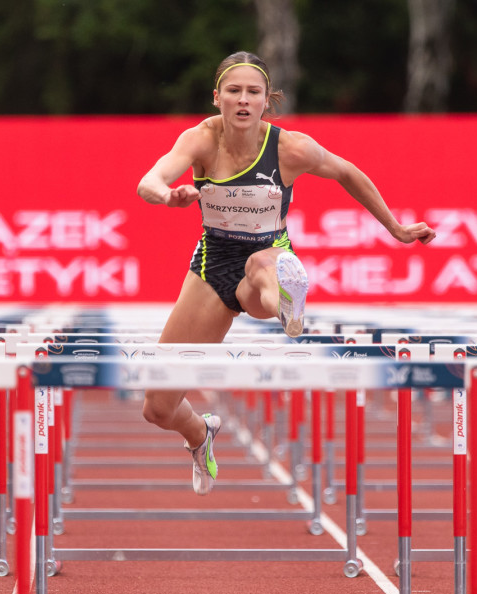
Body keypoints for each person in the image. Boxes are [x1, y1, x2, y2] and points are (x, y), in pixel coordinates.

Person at [136, 51, 436, 495]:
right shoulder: (201, 139)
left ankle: (287, 309)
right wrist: (168, 195)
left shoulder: (290, 147)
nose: (243, 101)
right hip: (211, 264)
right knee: (158, 407)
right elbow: (149, 180)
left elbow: (347, 173)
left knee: (262, 267)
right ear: (217, 97)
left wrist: (396, 228)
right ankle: (201, 434)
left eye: (253, 93)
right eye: (234, 91)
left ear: (266, 100)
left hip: (268, 255)